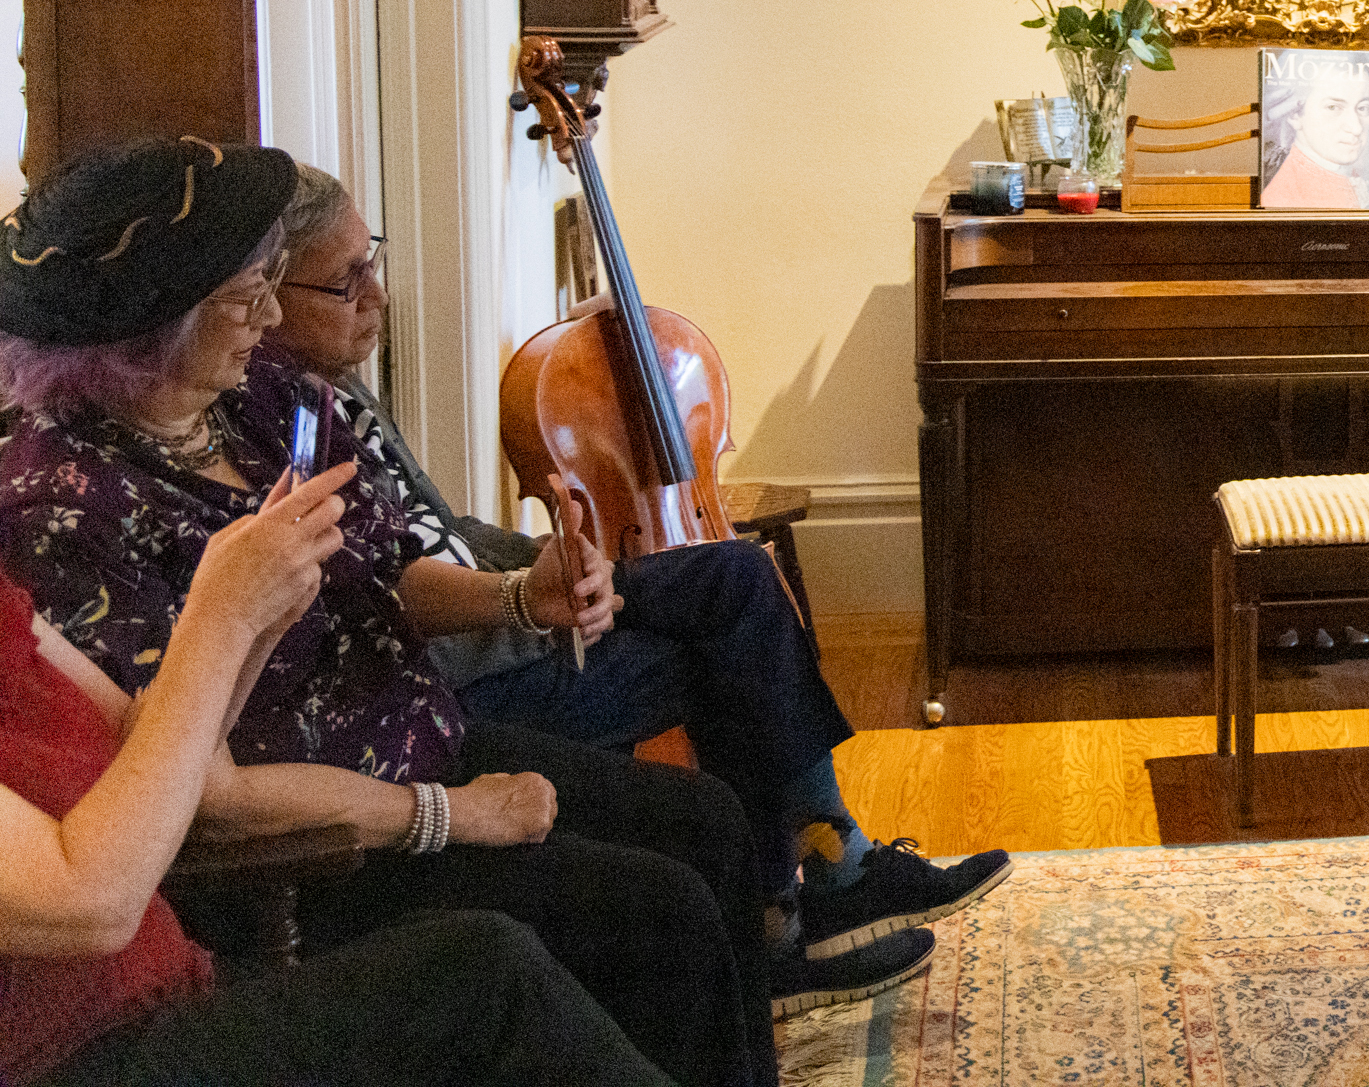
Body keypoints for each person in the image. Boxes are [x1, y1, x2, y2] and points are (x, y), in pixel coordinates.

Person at [0, 137, 899, 1085]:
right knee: (654, 908)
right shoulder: (58, 505)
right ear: (149, 325)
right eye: (241, 294)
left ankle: (783, 959)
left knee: (705, 817)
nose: (267, 314)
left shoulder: (254, 398)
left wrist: (522, 594)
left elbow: (387, 561)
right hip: (326, 834)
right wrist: (447, 814)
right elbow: (204, 794)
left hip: (416, 732)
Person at [258, 164, 1010, 965]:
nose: (376, 295)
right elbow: (380, 592)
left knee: (735, 581)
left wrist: (544, 554)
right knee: (736, 609)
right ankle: (818, 884)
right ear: (268, 294)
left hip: (516, 612)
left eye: (371, 261)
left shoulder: (338, 390)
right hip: (470, 680)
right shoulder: (281, 426)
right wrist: (521, 593)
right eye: (347, 282)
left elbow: (441, 528)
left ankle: (796, 904)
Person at [4, 447, 674, 1086]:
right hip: (82, 1056)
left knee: (520, 949)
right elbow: (92, 902)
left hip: (173, 989)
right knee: (491, 975)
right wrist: (224, 615)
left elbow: (171, 753)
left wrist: (262, 617)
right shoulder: (52, 495)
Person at [1259, 56, 1369, 209]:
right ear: (1294, 114)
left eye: (1363, 108)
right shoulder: (1283, 197)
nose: (1356, 128)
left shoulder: (1355, 182)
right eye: (1333, 107)